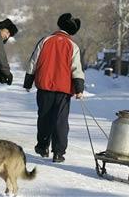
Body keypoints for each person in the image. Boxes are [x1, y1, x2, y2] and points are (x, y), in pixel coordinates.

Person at [23, 13, 85, 162]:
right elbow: (76, 68)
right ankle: (58, 152)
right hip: (63, 90)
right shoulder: (72, 46)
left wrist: (28, 82)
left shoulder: (45, 40)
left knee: (44, 117)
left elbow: (33, 61)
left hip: (44, 87)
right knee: (60, 120)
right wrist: (79, 89)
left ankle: (43, 146)